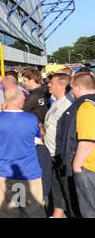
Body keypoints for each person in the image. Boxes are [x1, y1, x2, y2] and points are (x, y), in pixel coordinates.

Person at [0, 88, 46, 218]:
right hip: (30, 173)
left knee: (8, 212)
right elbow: (37, 141)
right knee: (34, 212)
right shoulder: (32, 119)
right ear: (20, 100)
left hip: (5, 173)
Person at [44, 73, 79, 218]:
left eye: (51, 83)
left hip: (61, 153)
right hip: (52, 153)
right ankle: (57, 214)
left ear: (61, 85)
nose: (48, 85)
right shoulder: (56, 102)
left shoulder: (68, 104)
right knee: (56, 187)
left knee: (67, 189)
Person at [22, 68, 52, 205]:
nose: (24, 83)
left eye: (25, 80)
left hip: (36, 137)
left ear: (32, 80)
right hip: (46, 135)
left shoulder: (33, 97)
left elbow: (22, 116)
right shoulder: (46, 93)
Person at [69, 73, 95, 217]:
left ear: (78, 88)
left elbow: (87, 141)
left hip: (89, 167)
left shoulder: (86, 106)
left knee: (89, 211)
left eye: (72, 88)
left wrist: (77, 166)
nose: (71, 92)